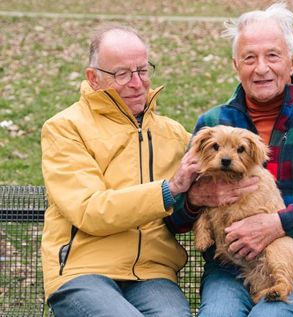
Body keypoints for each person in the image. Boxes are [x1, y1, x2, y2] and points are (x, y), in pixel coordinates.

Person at [171, 2, 293, 317]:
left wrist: (281, 223)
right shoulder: (213, 123)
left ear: (292, 61)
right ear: (236, 65)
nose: (261, 68)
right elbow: (176, 217)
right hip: (231, 269)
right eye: (250, 58)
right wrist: (195, 198)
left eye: (272, 56)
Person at [40, 25, 200, 317]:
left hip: (152, 274)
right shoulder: (65, 129)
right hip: (83, 271)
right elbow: (90, 210)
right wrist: (168, 190)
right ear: (94, 77)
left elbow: (224, 162)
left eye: (142, 70)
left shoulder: (173, 134)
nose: (137, 83)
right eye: (122, 74)